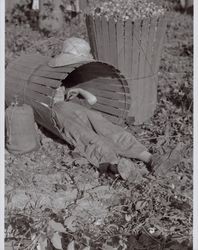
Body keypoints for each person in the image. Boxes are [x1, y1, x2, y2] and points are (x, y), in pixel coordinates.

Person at [50, 37, 154, 181]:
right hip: (58, 110)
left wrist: (79, 90)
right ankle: (114, 165)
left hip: (74, 109)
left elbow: (93, 100)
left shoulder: (69, 80)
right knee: (84, 134)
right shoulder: (51, 75)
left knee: (102, 125)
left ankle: (149, 158)